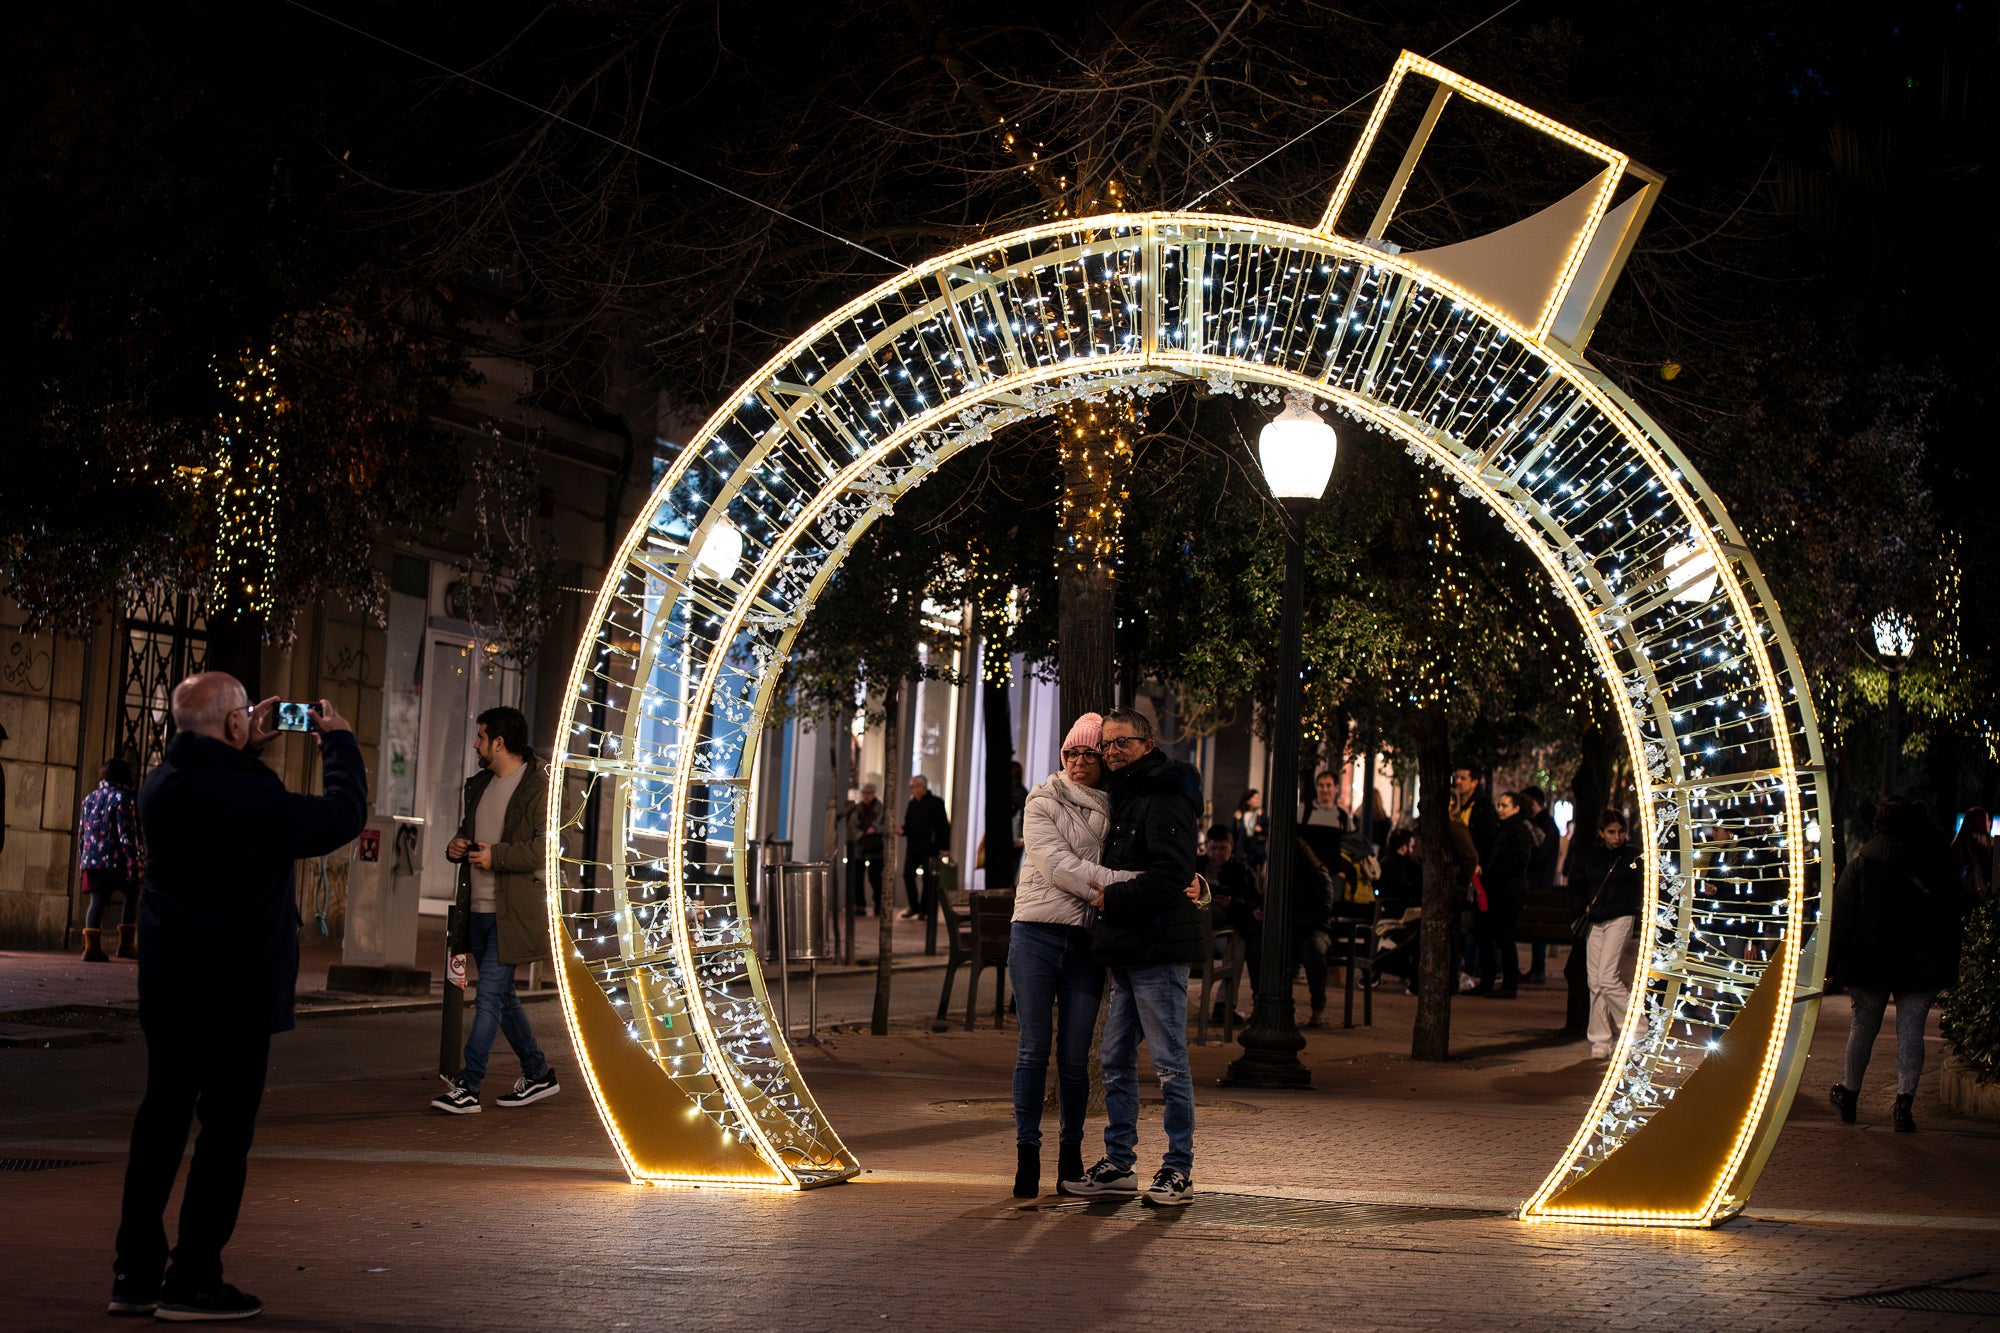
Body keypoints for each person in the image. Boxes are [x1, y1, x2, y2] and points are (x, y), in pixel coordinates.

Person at [111, 675, 365, 1320]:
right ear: (230, 725)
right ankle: (193, 1278)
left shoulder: (161, 784)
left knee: (160, 1123)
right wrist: (338, 742)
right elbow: (340, 817)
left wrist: (245, 742)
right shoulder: (252, 796)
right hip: (237, 992)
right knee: (223, 1137)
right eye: (243, 714)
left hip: (170, 986)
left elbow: (217, 787)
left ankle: (134, 1276)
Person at [1065, 706, 1204, 1207]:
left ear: (1148, 744)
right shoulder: (1123, 796)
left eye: (1122, 742)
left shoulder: (1164, 793)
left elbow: (1172, 873)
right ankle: (1119, 1165)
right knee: (1115, 1058)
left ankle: (1178, 1170)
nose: (1111, 752)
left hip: (1159, 948)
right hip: (1127, 947)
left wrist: (1112, 898)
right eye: (1107, 744)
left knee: (1169, 1063)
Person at [1009, 713, 1127, 1198]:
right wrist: (1136, 887)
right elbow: (1059, 866)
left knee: (1076, 1059)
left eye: (1089, 753)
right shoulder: (1043, 800)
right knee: (1033, 1050)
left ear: (1104, 760)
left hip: (1084, 942)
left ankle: (1071, 1155)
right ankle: (1027, 1156)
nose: (1079, 761)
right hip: (1034, 935)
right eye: (1070, 753)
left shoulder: (1121, 807)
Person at [431, 706, 560, 1115]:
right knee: (502, 997)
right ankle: (538, 1074)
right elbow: (471, 836)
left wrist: (497, 856)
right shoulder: (480, 785)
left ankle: (469, 1085)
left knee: (487, 995)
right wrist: (457, 845)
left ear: (499, 742)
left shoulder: (538, 787)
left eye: (481, 737)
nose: (476, 744)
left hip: (513, 912)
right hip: (479, 910)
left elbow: (549, 849)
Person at [1828, 798, 1974, 1133]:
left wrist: (1833, 964)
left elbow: (1842, 919)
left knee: (1862, 1028)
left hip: (1869, 963)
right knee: (1911, 1032)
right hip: (1920, 965)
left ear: (1880, 824)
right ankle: (1903, 1106)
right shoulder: (1936, 863)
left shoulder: (1863, 863)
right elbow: (1951, 916)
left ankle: (1849, 1095)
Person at [1563, 808, 1642, 1059]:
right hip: (1596, 920)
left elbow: (1640, 886)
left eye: (1620, 831)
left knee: (1607, 977)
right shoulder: (1589, 856)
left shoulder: (1632, 856)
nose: (1617, 836)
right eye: (1611, 832)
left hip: (1621, 916)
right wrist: (1582, 907)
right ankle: (1600, 1040)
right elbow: (1576, 885)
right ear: (1601, 832)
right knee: (1595, 982)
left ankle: (1637, 1029)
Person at [77, 757, 145, 963]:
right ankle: (125, 945)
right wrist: (135, 865)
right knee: (131, 896)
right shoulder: (122, 798)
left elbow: (82, 832)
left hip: (92, 861)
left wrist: (84, 860)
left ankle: (91, 948)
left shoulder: (89, 798)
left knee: (96, 901)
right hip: (116, 862)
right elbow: (127, 835)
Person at [1475, 791, 1533, 998]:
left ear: (1516, 808)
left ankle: (1509, 985)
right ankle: (1492, 982)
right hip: (1502, 890)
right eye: (1499, 805)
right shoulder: (1505, 829)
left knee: (1505, 938)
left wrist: (1495, 872)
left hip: (1508, 891)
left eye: (1505, 806)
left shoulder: (1517, 830)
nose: (1500, 809)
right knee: (1493, 936)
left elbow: (1519, 859)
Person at [1521, 785, 1561, 984]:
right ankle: (1537, 969)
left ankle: (1539, 970)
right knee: (1537, 928)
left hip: (1539, 885)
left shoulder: (1543, 825)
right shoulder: (1546, 823)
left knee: (1538, 927)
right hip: (1539, 884)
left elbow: (1538, 853)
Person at [896, 774, 950, 921]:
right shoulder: (912, 804)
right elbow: (909, 825)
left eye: (913, 786)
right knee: (908, 875)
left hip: (930, 848)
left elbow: (944, 827)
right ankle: (914, 906)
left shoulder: (936, 803)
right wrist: (902, 831)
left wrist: (945, 847)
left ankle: (925, 910)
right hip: (913, 847)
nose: (911, 789)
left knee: (928, 879)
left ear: (922, 787)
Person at [846, 782, 885, 915]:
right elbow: (852, 826)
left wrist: (874, 829)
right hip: (860, 848)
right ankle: (860, 905)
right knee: (858, 878)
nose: (867, 796)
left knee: (875, 878)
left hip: (875, 849)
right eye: (865, 793)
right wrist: (862, 834)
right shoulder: (857, 809)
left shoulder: (880, 808)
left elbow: (885, 825)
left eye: (870, 793)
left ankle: (878, 904)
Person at [1952, 806, 1993, 898]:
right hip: (1978, 899)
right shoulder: (1986, 844)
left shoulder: (1958, 843)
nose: (1990, 823)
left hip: (1957, 897)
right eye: (1986, 820)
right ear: (1980, 823)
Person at [1233, 789, 1268, 879]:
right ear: (1248, 800)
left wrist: (1261, 829)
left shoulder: (1261, 814)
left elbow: (1268, 830)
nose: (1257, 800)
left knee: (1256, 876)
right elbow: (1234, 833)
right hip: (1243, 849)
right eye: (1255, 798)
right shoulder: (1240, 814)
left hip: (1257, 849)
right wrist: (1237, 821)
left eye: (1258, 798)